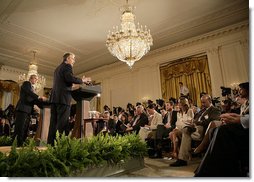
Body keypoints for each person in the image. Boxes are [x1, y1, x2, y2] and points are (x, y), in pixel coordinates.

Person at [47, 52, 91, 145]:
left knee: (53, 123)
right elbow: (69, 78)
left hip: (54, 99)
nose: (74, 61)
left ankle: (50, 144)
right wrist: (83, 80)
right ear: (67, 59)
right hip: (63, 99)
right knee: (62, 122)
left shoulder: (57, 69)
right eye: (73, 58)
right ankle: (60, 145)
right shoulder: (67, 66)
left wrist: (74, 83)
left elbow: (65, 81)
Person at [170, 94, 221, 167]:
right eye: (202, 102)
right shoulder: (202, 110)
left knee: (185, 131)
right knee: (176, 132)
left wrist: (197, 122)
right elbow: (195, 119)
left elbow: (212, 121)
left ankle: (182, 159)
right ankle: (181, 156)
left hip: (203, 129)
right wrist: (193, 122)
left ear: (210, 101)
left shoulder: (215, 110)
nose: (202, 104)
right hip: (194, 128)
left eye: (204, 102)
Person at [13, 74, 46, 146]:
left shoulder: (32, 89)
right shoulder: (26, 83)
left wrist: (43, 105)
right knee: (20, 127)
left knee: (25, 128)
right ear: (31, 79)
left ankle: (22, 143)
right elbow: (29, 93)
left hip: (27, 111)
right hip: (22, 109)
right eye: (35, 79)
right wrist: (39, 97)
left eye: (37, 79)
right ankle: (17, 144)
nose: (36, 81)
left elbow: (33, 100)